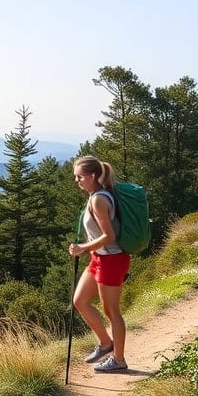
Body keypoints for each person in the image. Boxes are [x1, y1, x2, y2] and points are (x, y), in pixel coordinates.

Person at [69, 156, 130, 373]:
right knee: (80, 301)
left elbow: (109, 236)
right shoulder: (94, 196)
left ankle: (119, 360)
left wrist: (83, 248)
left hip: (112, 259)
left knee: (112, 311)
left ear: (92, 176)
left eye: (80, 177)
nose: (77, 181)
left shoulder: (99, 200)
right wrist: (88, 249)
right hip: (99, 258)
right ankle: (106, 343)